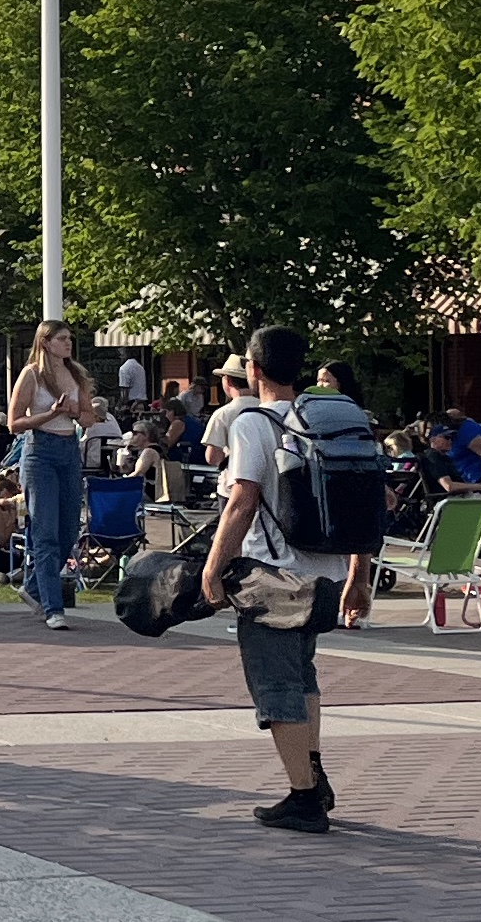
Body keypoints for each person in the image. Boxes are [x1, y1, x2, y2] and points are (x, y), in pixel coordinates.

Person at [200, 325, 356, 833]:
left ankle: (304, 796)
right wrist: (361, 572)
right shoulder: (332, 419)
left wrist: (214, 565)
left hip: (275, 576)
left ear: (254, 369)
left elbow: (242, 500)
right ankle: (313, 774)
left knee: (275, 684)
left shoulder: (253, 422)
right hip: (327, 570)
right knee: (304, 677)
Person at [8, 318, 97, 630]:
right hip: (39, 451)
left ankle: (33, 589)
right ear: (45, 342)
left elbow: (88, 418)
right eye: (61, 339)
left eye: (69, 338)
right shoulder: (32, 374)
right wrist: (50, 414)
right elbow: (14, 422)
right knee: (45, 532)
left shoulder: (75, 374)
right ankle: (53, 608)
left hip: (69, 450)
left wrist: (73, 412)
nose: (68, 344)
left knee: (69, 529)